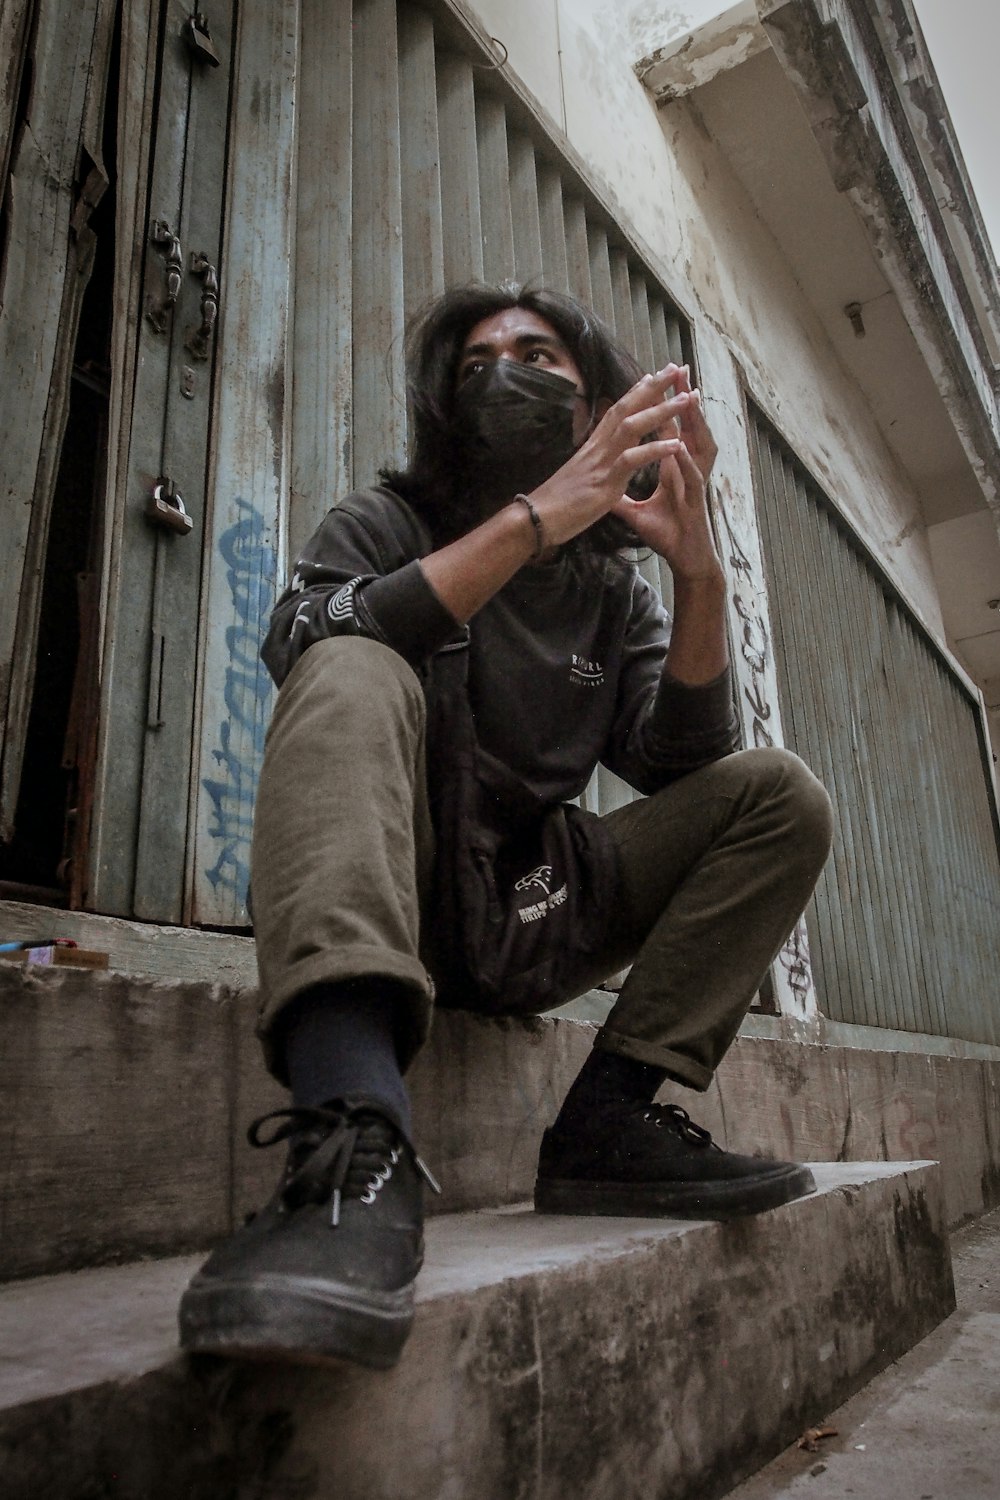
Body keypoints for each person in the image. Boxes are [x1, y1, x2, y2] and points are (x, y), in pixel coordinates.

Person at [178, 283, 833, 1371]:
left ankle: (609, 1125)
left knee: (780, 794)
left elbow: (678, 764)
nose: (501, 371)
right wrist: (532, 522)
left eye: (535, 355)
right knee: (346, 661)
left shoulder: (613, 595)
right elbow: (301, 638)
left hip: (534, 905)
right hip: (395, 887)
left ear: (591, 409)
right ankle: (357, 1149)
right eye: (477, 359)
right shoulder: (383, 523)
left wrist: (696, 566)